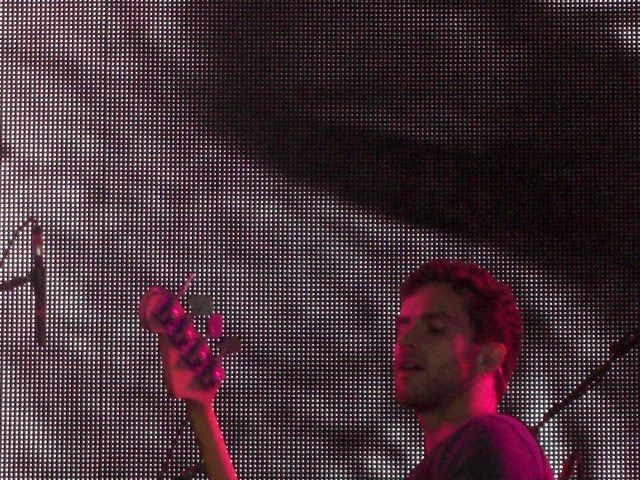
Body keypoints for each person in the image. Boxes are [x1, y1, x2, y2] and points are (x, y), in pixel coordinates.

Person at [394, 259, 555, 480]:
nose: (405, 341)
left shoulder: (489, 438)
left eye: (436, 329)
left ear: (489, 358)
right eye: (402, 329)